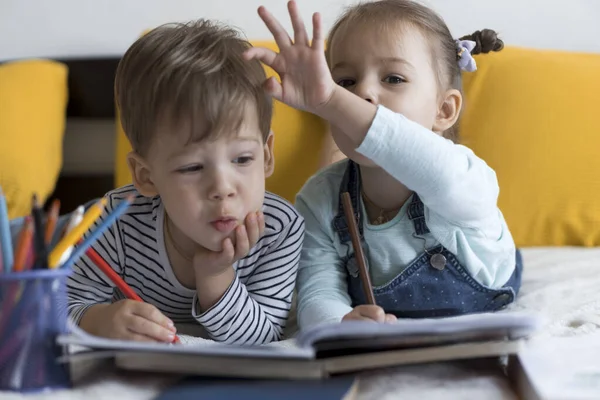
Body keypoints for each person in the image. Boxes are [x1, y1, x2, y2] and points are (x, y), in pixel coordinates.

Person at [244, 0, 521, 330]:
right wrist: (339, 321)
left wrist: (332, 100)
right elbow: (317, 290)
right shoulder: (319, 198)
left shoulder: (464, 175)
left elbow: (415, 155)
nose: (363, 92)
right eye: (345, 82)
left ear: (444, 110)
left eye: (393, 78)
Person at [67, 19, 304, 344]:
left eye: (242, 159)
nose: (223, 187)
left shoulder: (280, 229)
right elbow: (54, 305)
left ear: (266, 157)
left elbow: (263, 339)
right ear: (146, 176)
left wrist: (215, 276)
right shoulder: (114, 223)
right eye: (192, 167)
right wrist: (97, 320)